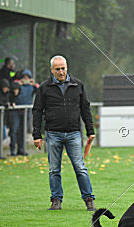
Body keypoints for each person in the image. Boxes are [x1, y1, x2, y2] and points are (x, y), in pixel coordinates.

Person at [32, 55, 96, 211]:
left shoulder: (78, 85)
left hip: (74, 133)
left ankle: (89, 200)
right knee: (54, 170)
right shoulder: (44, 87)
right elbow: (37, 111)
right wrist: (36, 135)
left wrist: (90, 130)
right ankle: (56, 201)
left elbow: (85, 108)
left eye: (63, 68)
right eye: (57, 69)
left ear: (67, 68)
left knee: (80, 168)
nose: (61, 72)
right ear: (52, 70)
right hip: (53, 133)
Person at [9, 82, 27, 156]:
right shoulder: (10, 97)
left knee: (22, 132)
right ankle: (13, 150)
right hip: (14, 115)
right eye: (14, 90)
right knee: (14, 132)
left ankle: (21, 149)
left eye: (16, 89)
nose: (15, 91)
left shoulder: (22, 96)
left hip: (22, 114)